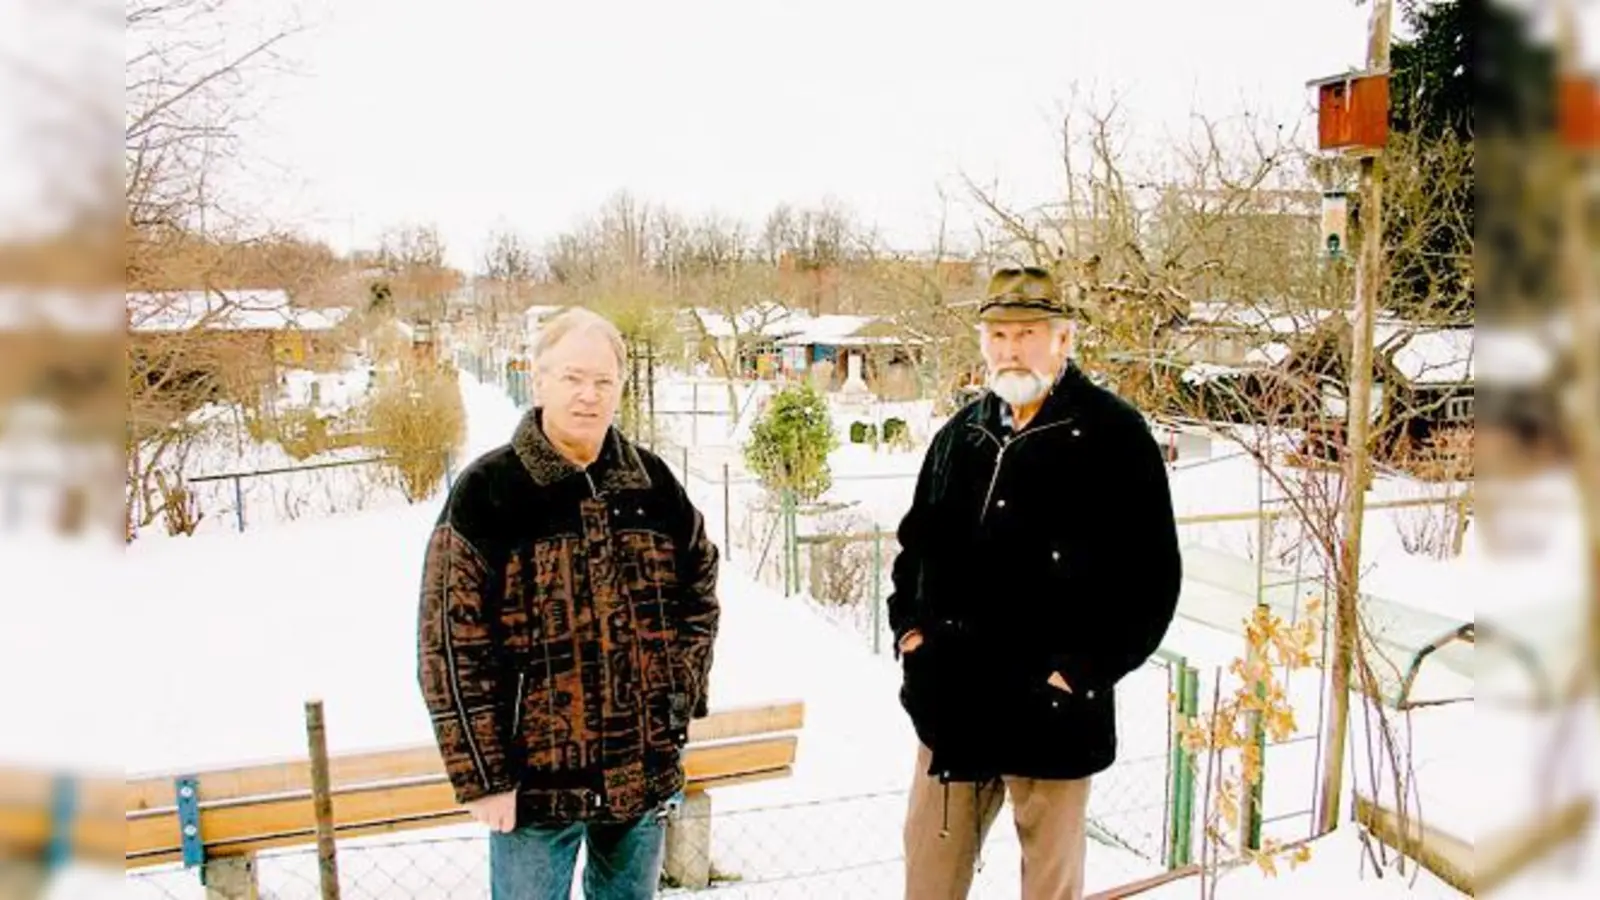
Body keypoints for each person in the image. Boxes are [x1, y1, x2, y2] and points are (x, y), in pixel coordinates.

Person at [888, 266, 1182, 900]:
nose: (1010, 349)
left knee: (1050, 890)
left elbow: (1152, 579)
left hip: (1052, 709)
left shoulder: (1114, 437)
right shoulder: (960, 436)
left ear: (1064, 340)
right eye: (997, 335)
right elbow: (915, 546)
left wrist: (1079, 670)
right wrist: (911, 631)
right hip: (955, 703)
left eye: (1026, 333)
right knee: (929, 877)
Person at [417, 307, 720, 899]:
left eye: (604, 381)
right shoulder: (489, 492)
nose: (589, 396)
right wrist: (483, 774)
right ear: (539, 379)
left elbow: (700, 582)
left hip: (642, 773)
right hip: (533, 787)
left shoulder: (652, 484)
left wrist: (677, 687)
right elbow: (449, 644)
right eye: (573, 378)